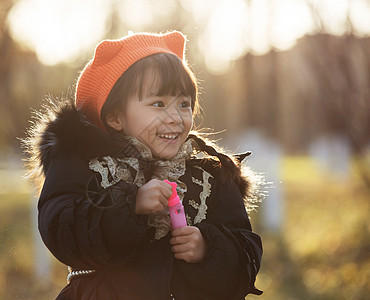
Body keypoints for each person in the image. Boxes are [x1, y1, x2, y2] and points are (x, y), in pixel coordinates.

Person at [24, 31, 263, 300]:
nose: (175, 117)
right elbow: (61, 229)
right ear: (115, 117)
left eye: (184, 104)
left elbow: (248, 254)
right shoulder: (89, 168)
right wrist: (130, 204)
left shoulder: (212, 177)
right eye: (158, 103)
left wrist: (208, 246)